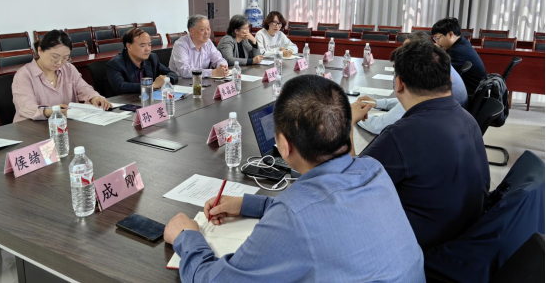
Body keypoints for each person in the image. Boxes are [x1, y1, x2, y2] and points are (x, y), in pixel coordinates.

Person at [164, 75, 426, 283]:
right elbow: (315, 213)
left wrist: (187, 237)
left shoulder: (294, 216)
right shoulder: (372, 169)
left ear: (284, 146)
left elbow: (215, 280)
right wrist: (246, 205)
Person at [353, 42, 490, 250]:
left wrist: (347, 123)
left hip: (418, 248)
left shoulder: (402, 134)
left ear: (399, 84)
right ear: (449, 79)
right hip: (465, 236)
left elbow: (349, 186)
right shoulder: (468, 119)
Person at [358, 31, 469, 135]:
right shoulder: (437, 66)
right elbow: (406, 102)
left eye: (408, 51)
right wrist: (377, 103)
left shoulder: (423, 78)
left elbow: (379, 126)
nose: (402, 54)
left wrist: (354, 115)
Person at [12, 30, 111, 122]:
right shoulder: (24, 75)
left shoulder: (69, 69)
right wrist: (50, 111)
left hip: (64, 125)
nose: (60, 62)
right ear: (40, 50)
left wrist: (94, 97)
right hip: (32, 127)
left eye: (65, 58)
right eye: (55, 57)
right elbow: (25, 107)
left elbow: (84, 89)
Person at [106, 28, 178, 96]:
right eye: (143, 45)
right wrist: (152, 85)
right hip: (125, 102)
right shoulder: (115, 64)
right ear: (129, 46)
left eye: (149, 45)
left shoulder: (152, 58)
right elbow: (120, 87)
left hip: (148, 99)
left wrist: (165, 80)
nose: (148, 49)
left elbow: (172, 74)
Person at [432, 17, 486, 96]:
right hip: (472, 93)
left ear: (450, 34)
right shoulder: (462, 43)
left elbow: (439, 74)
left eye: (437, 38)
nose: (436, 42)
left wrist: (435, 52)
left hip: (470, 96)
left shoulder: (457, 52)